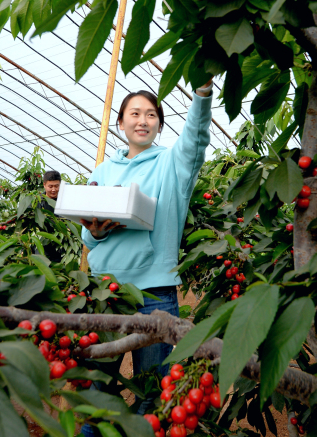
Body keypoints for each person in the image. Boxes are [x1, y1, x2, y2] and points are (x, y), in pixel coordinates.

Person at [78, 79, 213, 419]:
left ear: (160, 124)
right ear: (120, 122)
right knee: (97, 392)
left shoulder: (173, 165)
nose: (142, 120)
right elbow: (87, 235)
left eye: (151, 114)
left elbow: (195, 140)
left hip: (153, 294)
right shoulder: (103, 171)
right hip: (105, 290)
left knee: (151, 394)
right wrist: (93, 233)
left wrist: (202, 94)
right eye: (134, 113)